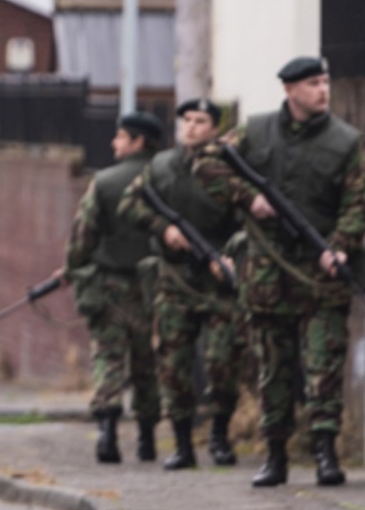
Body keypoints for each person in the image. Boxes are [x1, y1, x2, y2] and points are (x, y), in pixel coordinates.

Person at [195, 56, 362, 488]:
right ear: (290, 90)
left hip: (321, 273)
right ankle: (275, 454)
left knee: (324, 365)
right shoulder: (255, 130)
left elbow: (358, 202)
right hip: (267, 274)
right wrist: (247, 198)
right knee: (273, 366)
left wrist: (340, 247)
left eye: (325, 81)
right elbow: (206, 164)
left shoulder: (346, 142)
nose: (323, 90)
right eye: (313, 83)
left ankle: (325, 452)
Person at [119, 98, 247, 469]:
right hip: (175, 280)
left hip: (217, 281)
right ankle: (181, 443)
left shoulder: (227, 167)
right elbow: (130, 204)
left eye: (200, 121)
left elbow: (248, 218)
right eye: (186, 119)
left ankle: (220, 437)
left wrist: (230, 257)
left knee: (223, 361)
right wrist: (164, 228)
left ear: (214, 128)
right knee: (173, 365)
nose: (191, 127)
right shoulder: (161, 166)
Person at [66, 111, 163, 464]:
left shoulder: (104, 182)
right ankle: (148, 437)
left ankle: (107, 432)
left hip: (109, 284)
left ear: (137, 141)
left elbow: (82, 237)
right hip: (156, 286)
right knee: (146, 360)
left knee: (108, 357)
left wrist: (73, 269)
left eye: (121, 136)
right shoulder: (166, 176)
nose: (113, 142)